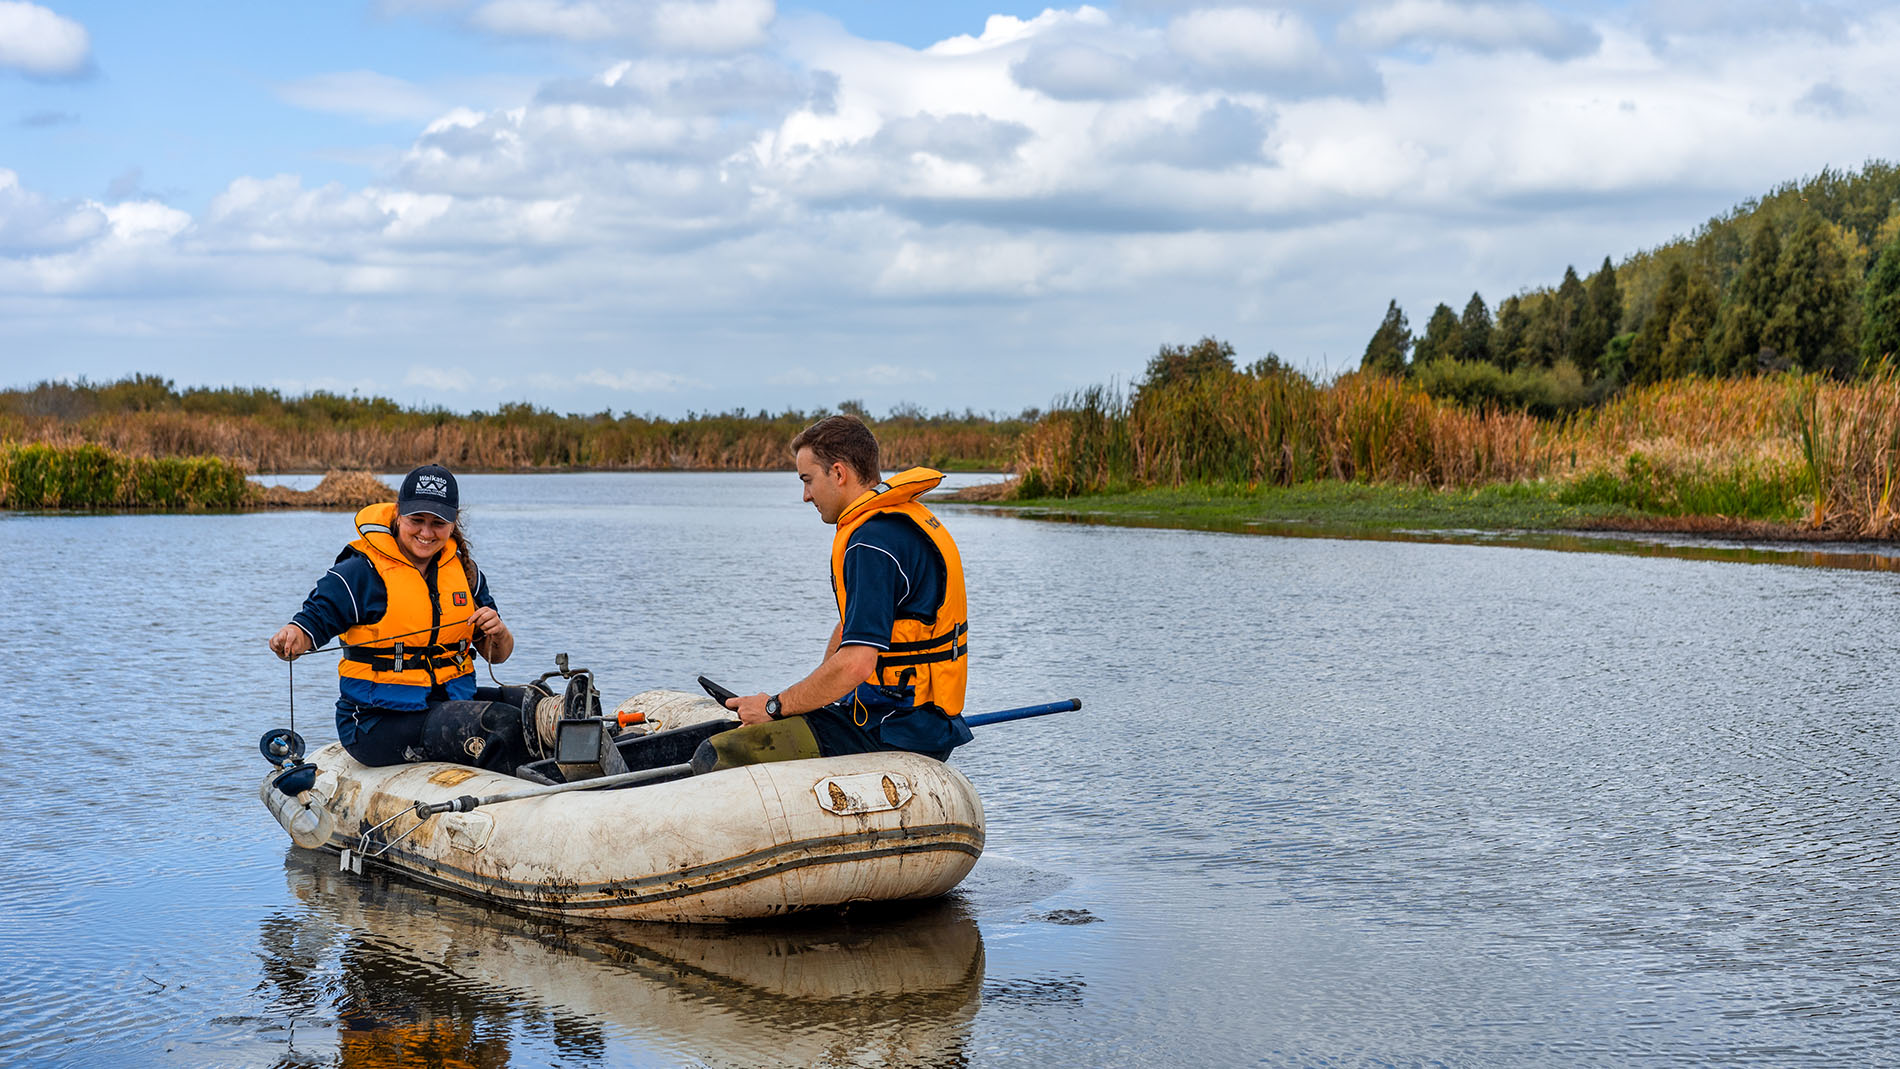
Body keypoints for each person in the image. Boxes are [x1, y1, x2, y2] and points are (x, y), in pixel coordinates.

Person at [700, 415, 974, 772]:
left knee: (721, 752)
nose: (805, 495)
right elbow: (851, 629)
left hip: (894, 731)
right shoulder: (895, 523)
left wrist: (773, 708)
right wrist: (802, 701)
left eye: (808, 480)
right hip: (915, 720)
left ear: (839, 473)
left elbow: (857, 663)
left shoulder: (870, 544)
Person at [267, 464, 525, 770]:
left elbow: (499, 655)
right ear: (398, 514)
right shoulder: (361, 571)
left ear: (453, 522)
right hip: (374, 723)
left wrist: (499, 632)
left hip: (446, 702)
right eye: (417, 520)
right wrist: (293, 635)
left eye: (438, 523)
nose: (426, 533)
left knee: (531, 703)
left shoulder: (465, 572)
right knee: (497, 722)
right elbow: (313, 619)